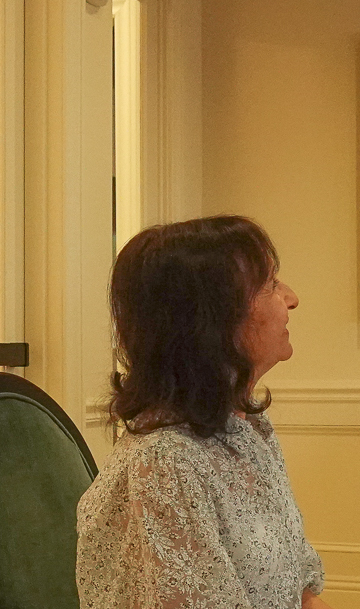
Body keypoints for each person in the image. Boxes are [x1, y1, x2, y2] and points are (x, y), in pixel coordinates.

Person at [76, 216, 333, 609]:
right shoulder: (165, 461)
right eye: (270, 284)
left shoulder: (249, 427)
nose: (291, 298)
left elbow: (300, 591)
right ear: (211, 320)